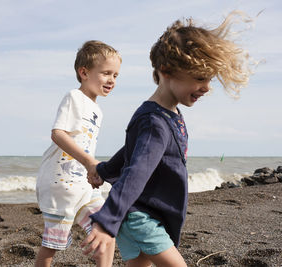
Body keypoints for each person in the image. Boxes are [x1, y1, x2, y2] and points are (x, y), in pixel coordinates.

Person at [81, 11, 255, 267]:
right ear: (167, 70)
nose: (207, 87)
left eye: (209, 79)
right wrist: (107, 221)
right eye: (199, 77)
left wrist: (104, 169)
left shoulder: (165, 114)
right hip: (141, 217)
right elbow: (136, 172)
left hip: (149, 213)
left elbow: (132, 151)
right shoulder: (155, 121)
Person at [35, 40, 122, 267]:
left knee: (107, 229)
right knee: (52, 245)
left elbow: (86, 145)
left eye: (116, 75)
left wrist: (91, 169)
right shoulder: (74, 97)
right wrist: (89, 162)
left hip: (83, 185)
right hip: (60, 185)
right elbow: (58, 134)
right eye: (106, 73)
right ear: (84, 72)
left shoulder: (97, 110)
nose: (112, 80)